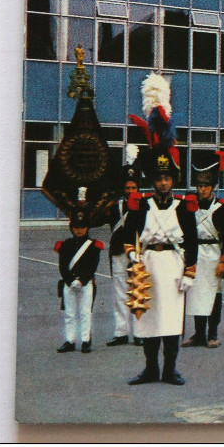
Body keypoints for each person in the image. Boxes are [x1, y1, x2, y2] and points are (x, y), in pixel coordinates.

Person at [122, 143, 198, 385]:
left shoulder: (184, 207)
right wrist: (133, 255)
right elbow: (128, 234)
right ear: (153, 181)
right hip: (149, 265)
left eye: (167, 178)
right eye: (159, 179)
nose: (163, 183)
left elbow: (192, 241)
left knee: (171, 320)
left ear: (173, 180)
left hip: (173, 264)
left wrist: (189, 272)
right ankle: (150, 369)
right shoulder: (142, 205)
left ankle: (170, 370)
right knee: (149, 320)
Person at [182, 149, 224, 349]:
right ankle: (198, 334)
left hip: (214, 254)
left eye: (206, 186)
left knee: (214, 295)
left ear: (213, 186)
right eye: (199, 185)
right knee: (196, 294)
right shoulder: (189, 206)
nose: (202, 190)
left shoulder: (223, 208)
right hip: (196, 254)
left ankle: (212, 333)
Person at [103, 145, 145, 346]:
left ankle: (139, 333)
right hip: (118, 252)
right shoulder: (115, 206)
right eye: (127, 188)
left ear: (138, 188)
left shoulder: (145, 206)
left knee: (138, 291)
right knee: (119, 292)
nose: (130, 191)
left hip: (138, 252)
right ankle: (120, 332)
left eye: (133, 188)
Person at [55, 208, 105, 353]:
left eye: (82, 227)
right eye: (76, 227)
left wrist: (81, 281)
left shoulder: (93, 245)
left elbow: (92, 267)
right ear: (72, 228)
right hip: (69, 283)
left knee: (85, 313)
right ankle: (70, 340)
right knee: (70, 314)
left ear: (87, 228)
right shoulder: (65, 245)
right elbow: (63, 266)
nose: (79, 230)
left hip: (86, 283)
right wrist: (71, 281)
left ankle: (85, 340)